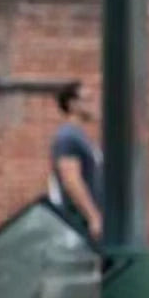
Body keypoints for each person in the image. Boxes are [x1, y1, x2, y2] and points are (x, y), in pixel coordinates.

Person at [48, 81, 103, 241]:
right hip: (76, 222)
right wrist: (93, 217)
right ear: (73, 105)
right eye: (88, 99)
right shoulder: (68, 137)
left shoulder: (80, 136)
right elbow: (71, 180)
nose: (94, 105)